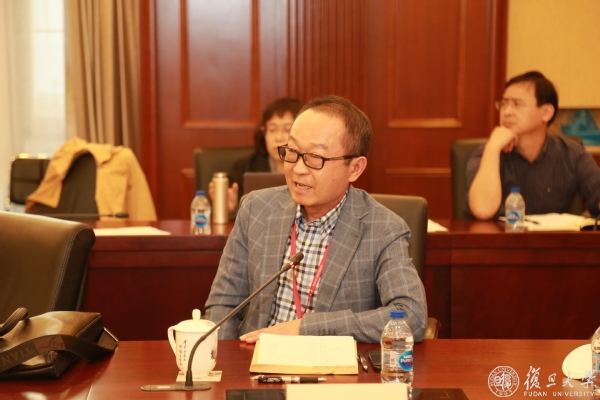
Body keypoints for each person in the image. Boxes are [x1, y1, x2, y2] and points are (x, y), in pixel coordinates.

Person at [205, 95, 428, 344]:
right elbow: (223, 303)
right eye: (292, 152)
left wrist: (309, 328)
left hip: (331, 365)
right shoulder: (256, 208)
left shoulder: (383, 228)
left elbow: (412, 317)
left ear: (355, 168)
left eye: (315, 158)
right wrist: (224, 358)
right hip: (255, 358)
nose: (298, 169)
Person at [467, 71, 600, 219]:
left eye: (517, 104)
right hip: (502, 234)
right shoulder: (487, 153)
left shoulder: (572, 154)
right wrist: (492, 149)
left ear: (546, 113)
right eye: (504, 104)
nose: (507, 112)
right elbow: (483, 210)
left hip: (553, 234)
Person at [208, 97, 304, 215]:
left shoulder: (310, 167)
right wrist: (231, 209)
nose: (278, 138)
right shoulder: (245, 167)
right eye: (272, 130)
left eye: (287, 129)